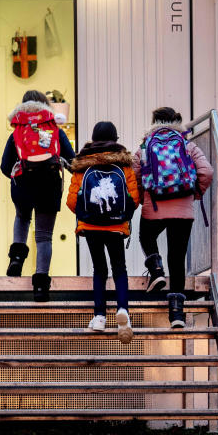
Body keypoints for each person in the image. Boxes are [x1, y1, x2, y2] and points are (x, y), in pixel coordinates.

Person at [133, 107, 213, 328]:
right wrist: (195, 192)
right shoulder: (187, 145)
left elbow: (135, 175)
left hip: (155, 206)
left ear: (153, 121)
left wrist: (142, 198)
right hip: (183, 209)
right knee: (177, 258)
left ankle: (156, 269)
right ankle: (177, 315)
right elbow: (206, 171)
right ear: (178, 121)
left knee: (146, 236)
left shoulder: (145, 146)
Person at [66, 121, 138, 343]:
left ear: (93, 139)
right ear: (115, 139)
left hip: (91, 227)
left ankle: (99, 317)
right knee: (119, 269)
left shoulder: (83, 166)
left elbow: (71, 201)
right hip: (116, 227)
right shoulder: (124, 166)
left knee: (99, 270)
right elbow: (134, 199)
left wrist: (87, 214)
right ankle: (123, 309)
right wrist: (122, 214)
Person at [0, 90, 75, 301]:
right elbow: (72, 161)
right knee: (43, 236)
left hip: (23, 184)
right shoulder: (55, 130)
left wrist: (20, 174)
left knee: (22, 217)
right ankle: (41, 286)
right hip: (49, 186)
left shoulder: (17, 131)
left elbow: (5, 167)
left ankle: (16, 258)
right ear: (46, 106)